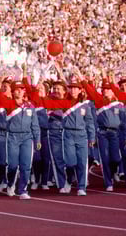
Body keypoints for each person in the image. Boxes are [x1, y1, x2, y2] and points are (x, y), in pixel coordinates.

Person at [31, 64, 95, 196]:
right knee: (66, 161)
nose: (73, 91)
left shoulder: (82, 103)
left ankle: (80, 186)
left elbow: (89, 121)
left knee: (81, 161)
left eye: (75, 89)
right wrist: (38, 84)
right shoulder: (60, 102)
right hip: (62, 134)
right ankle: (65, 181)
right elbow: (38, 101)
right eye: (54, 88)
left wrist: (92, 137)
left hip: (78, 135)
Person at [80, 71, 125, 191]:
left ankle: (114, 171)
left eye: (108, 89)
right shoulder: (99, 100)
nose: (105, 91)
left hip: (115, 133)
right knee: (105, 158)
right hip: (103, 134)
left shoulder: (119, 103)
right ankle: (108, 182)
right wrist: (81, 76)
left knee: (115, 158)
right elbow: (89, 89)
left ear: (112, 90)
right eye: (103, 89)